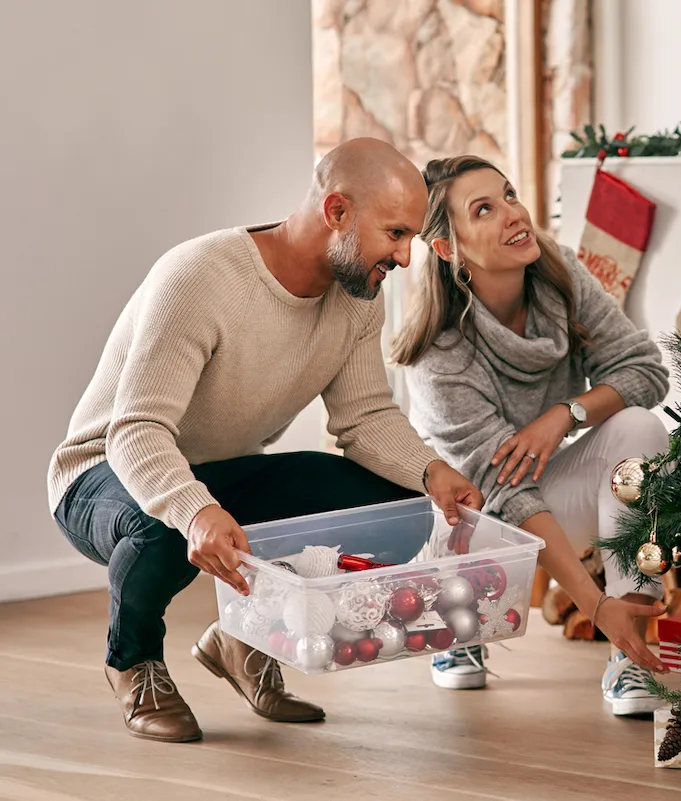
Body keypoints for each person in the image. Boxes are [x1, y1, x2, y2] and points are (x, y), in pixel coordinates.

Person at [47, 138, 483, 744]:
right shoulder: (199, 276)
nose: (407, 257)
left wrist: (433, 472)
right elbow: (137, 429)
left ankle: (243, 635)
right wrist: (195, 511)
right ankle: (135, 662)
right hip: (103, 472)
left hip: (223, 470)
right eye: (395, 234)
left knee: (399, 510)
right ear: (336, 212)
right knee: (163, 523)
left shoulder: (357, 301)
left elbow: (365, 417)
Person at [393, 155, 673, 716]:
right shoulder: (439, 354)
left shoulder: (561, 277)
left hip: (539, 494)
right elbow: (502, 488)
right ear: (449, 249)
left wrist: (565, 415)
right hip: (466, 528)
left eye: (510, 195)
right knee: (466, 522)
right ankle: (456, 625)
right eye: (484, 210)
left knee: (640, 429)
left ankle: (630, 647)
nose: (514, 215)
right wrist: (592, 605)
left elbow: (645, 370)